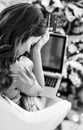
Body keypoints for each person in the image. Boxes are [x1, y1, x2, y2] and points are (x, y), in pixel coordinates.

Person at [0, 3, 49, 111]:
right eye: (31, 44)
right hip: (17, 118)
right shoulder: (16, 69)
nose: (28, 50)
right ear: (22, 35)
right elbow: (40, 90)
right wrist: (36, 50)